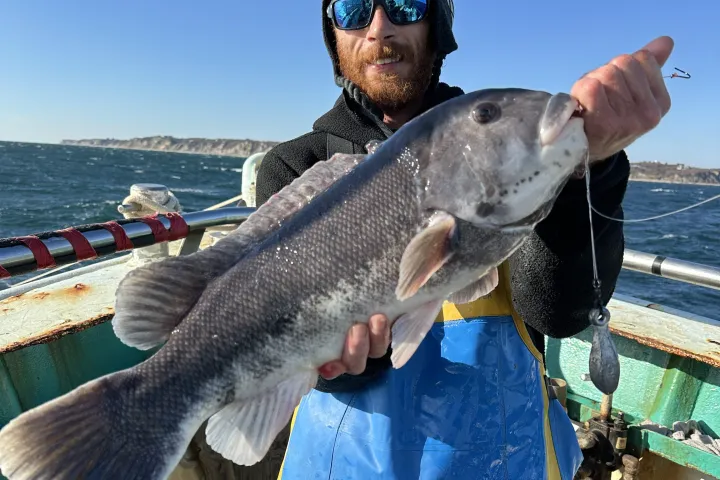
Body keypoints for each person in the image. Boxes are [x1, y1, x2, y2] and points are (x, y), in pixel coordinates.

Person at [254, 1, 673, 478]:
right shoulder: (296, 168)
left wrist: (588, 171)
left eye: (405, 4)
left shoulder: (504, 144)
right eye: (352, 8)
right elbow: (289, 354)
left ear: (438, 23)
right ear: (332, 34)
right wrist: (343, 360)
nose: (379, 28)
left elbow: (558, 314)